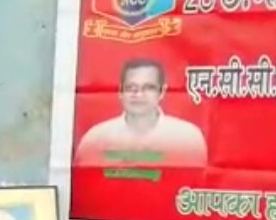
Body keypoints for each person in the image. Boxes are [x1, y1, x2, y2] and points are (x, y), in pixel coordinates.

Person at [74, 58, 207, 168]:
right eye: (131, 88)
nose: (138, 95)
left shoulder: (187, 138)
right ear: (120, 92)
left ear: (162, 92)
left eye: (148, 88)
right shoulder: (95, 139)